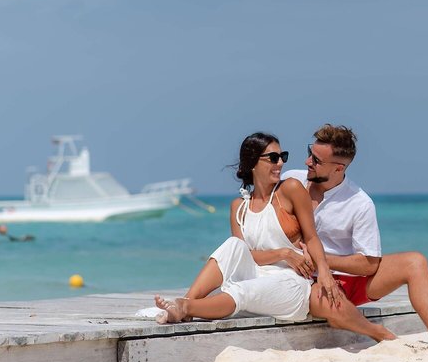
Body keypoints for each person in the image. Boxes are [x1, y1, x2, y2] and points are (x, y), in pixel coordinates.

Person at [154, 132, 395, 343]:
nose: (280, 163)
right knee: (233, 245)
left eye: (282, 157)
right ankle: (186, 300)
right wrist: (284, 253)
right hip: (255, 273)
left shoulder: (291, 189)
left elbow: (312, 238)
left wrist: (323, 272)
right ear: (252, 163)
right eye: (273, 158)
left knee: (243, 291)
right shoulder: (238, 206)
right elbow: (245, 256)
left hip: (289, 283)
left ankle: (186, 307)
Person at [283, 124, 428, 362]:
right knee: (328, 304)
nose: (307, 161)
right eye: (310, 153)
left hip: (345, 281)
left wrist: (321, 260)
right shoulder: (290, 180)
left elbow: (369, 264)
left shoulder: (359, 203)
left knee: (415, 262)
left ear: (339, 168)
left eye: (316, 160)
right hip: (299, 276)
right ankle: (374, 331)